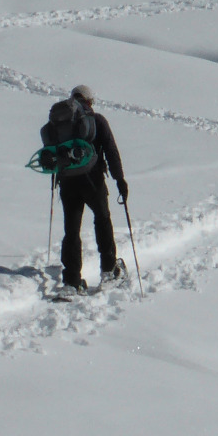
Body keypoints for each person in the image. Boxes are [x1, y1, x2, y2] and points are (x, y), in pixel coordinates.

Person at [39, 85, 128, 292]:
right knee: (102, 219)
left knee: (72, 230)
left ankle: (71, 279)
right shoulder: (97, 121)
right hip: (92, 180)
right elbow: (111, 151)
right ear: (89, 101)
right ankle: (108, 270)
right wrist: (120, 180)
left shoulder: (58, 123)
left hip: (67, 181)